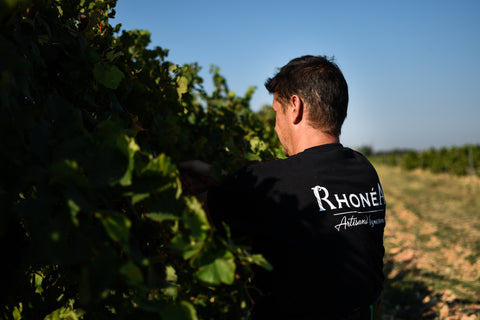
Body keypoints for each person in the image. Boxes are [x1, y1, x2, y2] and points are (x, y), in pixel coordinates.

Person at [180, 55, 385, 319]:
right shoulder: (364, 169)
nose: (276, 126)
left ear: (295, 107)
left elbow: (194, 212)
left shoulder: (273, 181)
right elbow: (301, 187)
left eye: (276, 112)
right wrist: (219, 176)